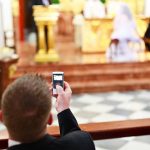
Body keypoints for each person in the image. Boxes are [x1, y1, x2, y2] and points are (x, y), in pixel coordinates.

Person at [0, 74, 95, 150]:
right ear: (50, 119)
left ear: (1, 117)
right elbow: (75, 138)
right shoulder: (83, 143)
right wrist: (64, 110)